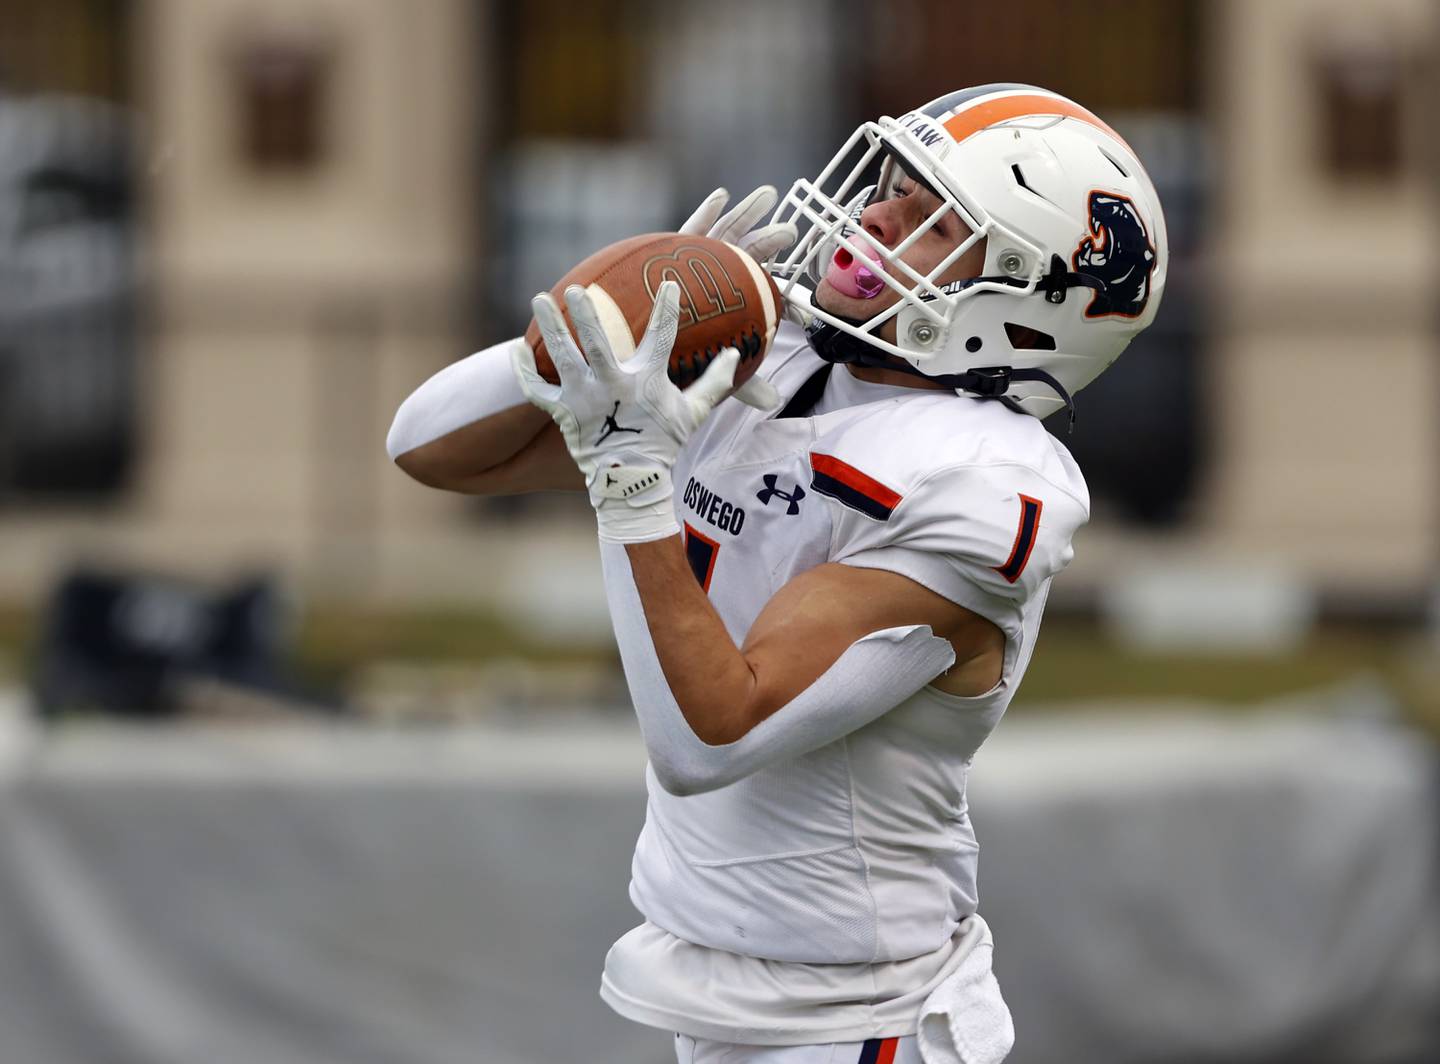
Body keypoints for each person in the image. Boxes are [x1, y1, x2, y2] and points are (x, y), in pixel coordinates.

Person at [387, 83, 1166, 1064]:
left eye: (932, 220)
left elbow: (713, 731)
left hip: (858, 1017)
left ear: (1014, 300)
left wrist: (635, 486)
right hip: (721, 995)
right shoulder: (772, 353)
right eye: (892, 185)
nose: (876, 214)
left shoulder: (979, 484)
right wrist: (609, 320)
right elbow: (427, 445)